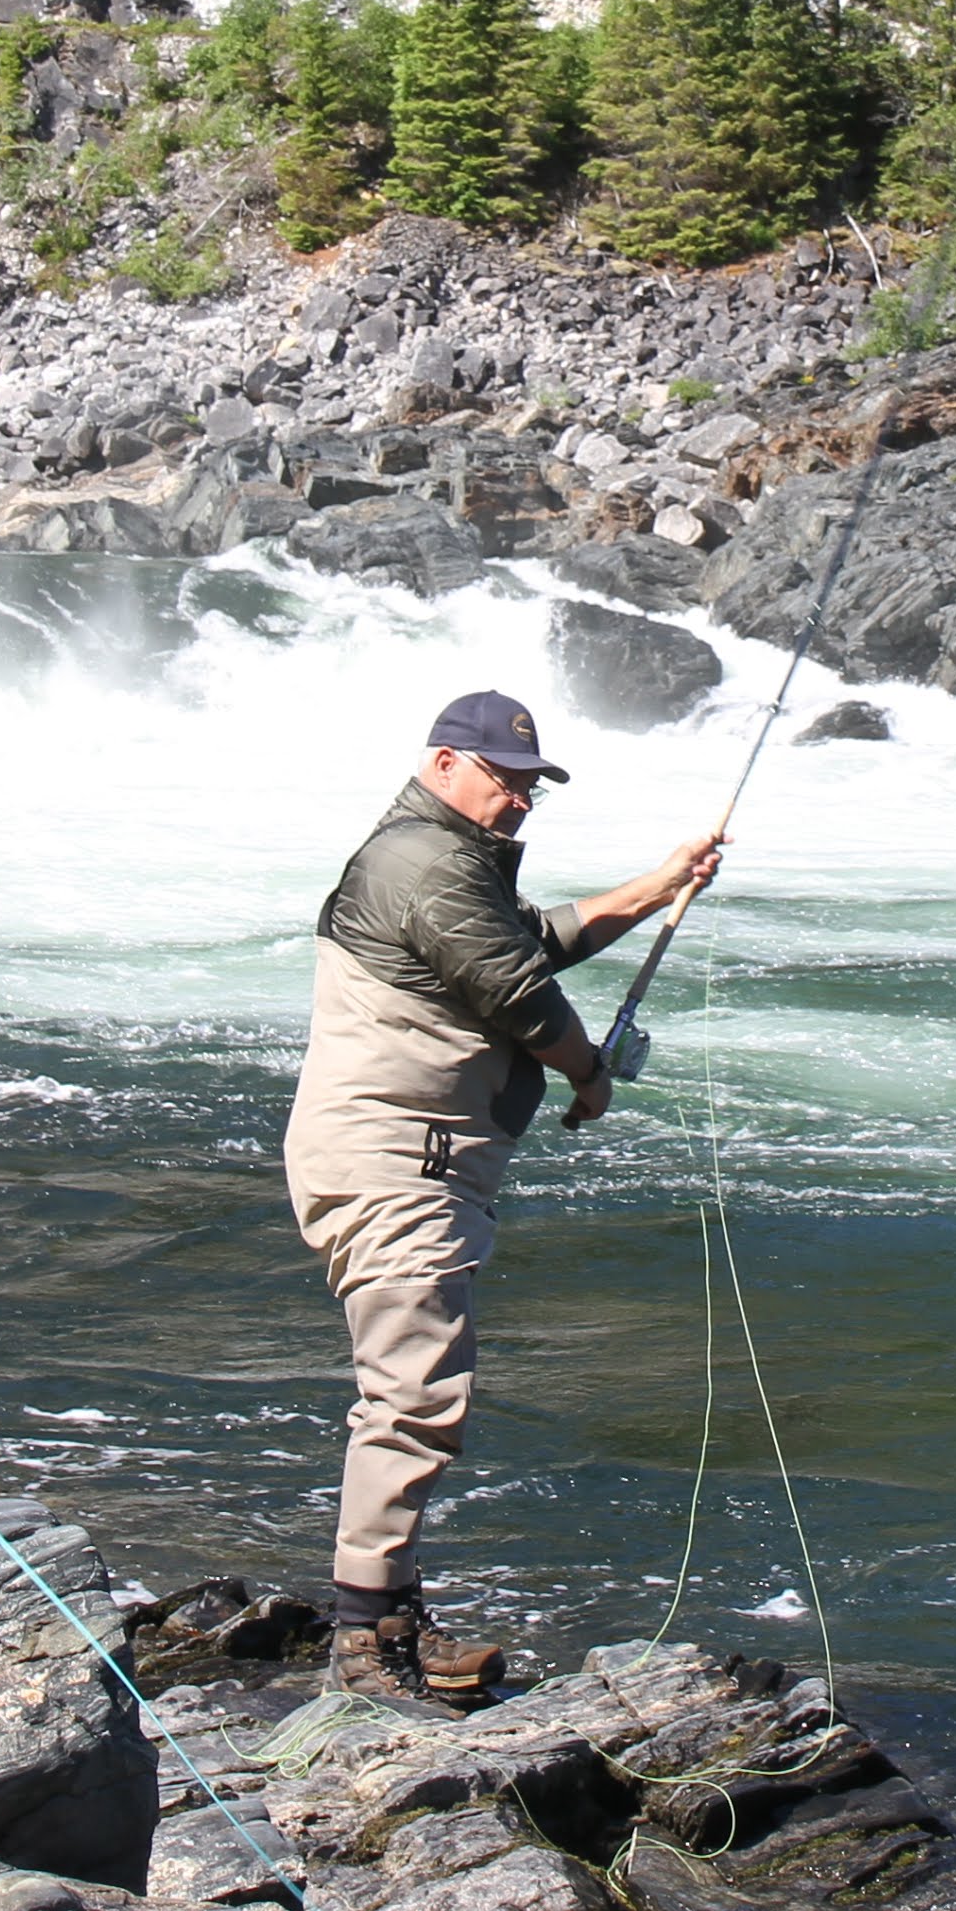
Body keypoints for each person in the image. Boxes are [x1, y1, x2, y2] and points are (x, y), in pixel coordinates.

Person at [285, 687, 721, 1709]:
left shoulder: (444, 866)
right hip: (394, 1160)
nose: (519, 798)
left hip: (415, 1158)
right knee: (410, 1394)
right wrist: (589, 1074)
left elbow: (529, 938)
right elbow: (520, 993)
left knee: (417, 1389)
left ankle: (393, 1615)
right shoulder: (420, 864)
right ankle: (361, 1646)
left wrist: (656, 887)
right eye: (502, 777)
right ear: (443, 763)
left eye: (530, 783)